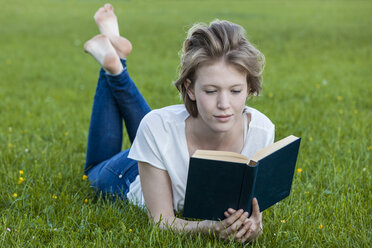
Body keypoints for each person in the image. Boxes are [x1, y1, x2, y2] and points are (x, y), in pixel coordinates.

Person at [83, 3, 274, 243]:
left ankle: (116, 59)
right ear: (190, 89)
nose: (224, 103)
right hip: (131, 175)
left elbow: (255, 210)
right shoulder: (157, 127)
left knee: (157, 128)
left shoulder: (262, 130)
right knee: (93, 170)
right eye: (211, 91)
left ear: (249, 88)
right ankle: (112, 66)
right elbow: (161, 222)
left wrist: (254, 226)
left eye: (235, 90)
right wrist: (209, 228)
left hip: (162, 145)